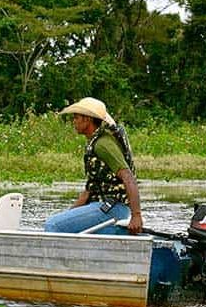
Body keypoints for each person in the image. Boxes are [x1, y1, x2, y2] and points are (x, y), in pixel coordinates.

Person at [44, 97, 143, 235]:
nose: (74, 122)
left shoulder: (103, 145)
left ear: (87, 119)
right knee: (61, 223)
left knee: (53, 225)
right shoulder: (95, 142)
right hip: (104, 207)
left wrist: (136, 215)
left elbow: (128, 177)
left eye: (76, 117)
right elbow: (88, 192)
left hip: (113, 208)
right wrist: (69, 215)